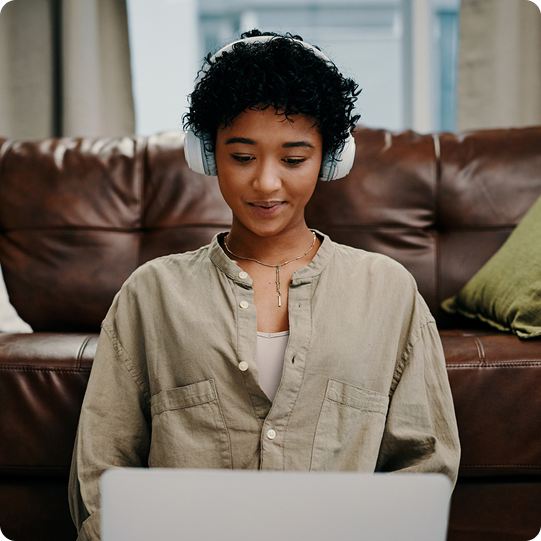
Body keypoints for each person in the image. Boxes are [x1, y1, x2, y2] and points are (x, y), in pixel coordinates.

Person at [69, 29, 460, 540]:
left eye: (294, 160)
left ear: (331, 158)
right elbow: (102, 465)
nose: (267, 184)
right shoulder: (152, 293)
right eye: (242, 157)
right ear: (207, 156)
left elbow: (426, 464)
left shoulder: (388, 292)